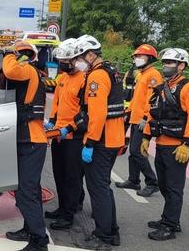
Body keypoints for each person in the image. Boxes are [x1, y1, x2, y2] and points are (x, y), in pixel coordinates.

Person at [142, 48, 189, 241]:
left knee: (174, 187)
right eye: (165, 62)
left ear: (182, 66)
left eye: (170, 62)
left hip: (177, 147)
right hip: (161, 143)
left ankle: (169, 225)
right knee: (164, 185)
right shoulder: (162, 88)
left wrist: (187, 144)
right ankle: (169, 219)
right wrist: (146, 137)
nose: (166, 66)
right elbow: (152, 114)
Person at [72, 35, 125, 250]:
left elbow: (98, 114)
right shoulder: (110, 72)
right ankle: (112, 231)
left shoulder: (96, 77)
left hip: (101, 140)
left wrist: (90, 143)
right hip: (112, 138)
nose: (78, 61)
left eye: (80, 57)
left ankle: (103, 236)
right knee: (104, 187)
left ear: (91, 55)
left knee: (98, 189)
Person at [1, 42, 49, 251]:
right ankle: (29, 229)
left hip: (31, 140)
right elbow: (3, 81)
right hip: (26, 139)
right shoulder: (26, 73)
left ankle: (39, 241)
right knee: (29, 190)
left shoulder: (27, 69)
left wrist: (8, 54)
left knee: (26, 192)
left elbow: (10, 69)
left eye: (17, 55)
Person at [44, 38, 86, 230]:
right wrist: (52, 122)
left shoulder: (84, 80)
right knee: (59, 174)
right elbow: (57, 104)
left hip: (74, 136)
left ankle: (69, 214)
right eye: (60, 60)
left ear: (76, 59)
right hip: (58, 135)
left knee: (72, 177)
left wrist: (68, 128)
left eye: (66, 61)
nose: (62, 64)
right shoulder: (62, 79)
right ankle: (62, 208)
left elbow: (84, 113)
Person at [116, 44, 162, 197]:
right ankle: (133, 180)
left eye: (140, 57)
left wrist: (145, 117)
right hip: (135, 117)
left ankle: (152, 182)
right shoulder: (141, 74)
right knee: (133, 151)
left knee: (137, 151)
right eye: (135, 57)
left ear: (149, 59)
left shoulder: (153, 75)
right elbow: (137, 98)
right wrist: (128, 111)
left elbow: (153, 99)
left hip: (143, 120)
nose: (136, 59)